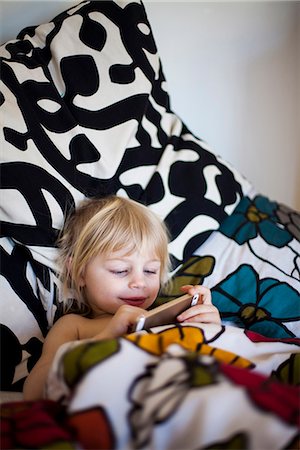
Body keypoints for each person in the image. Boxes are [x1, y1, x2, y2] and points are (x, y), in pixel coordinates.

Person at [23, 195, 221, 400]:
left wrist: (209, 327)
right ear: (79, 273)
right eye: (120, 270)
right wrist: (107, 336)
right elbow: (33, 392)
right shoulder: (74, 326)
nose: (140, 282)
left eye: (150, 271)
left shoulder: (165, 316)